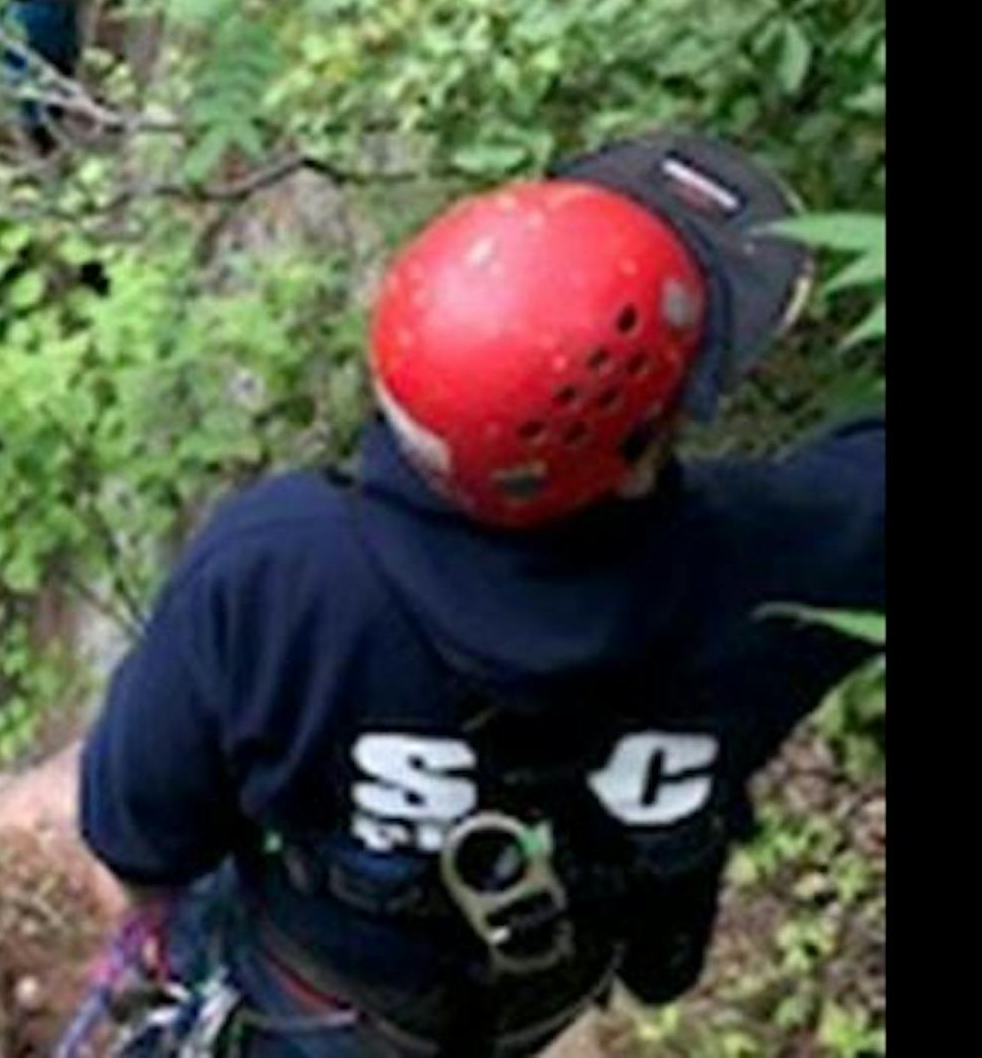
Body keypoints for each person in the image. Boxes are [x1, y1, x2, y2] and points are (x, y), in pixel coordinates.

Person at [71, 134, 886, 1057]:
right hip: (541, 999)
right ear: (625, 462)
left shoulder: (276, 572)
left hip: (312, 1007)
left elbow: (136, 839)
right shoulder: (773, 558)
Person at [0, 0, 82, 153]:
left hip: (27, 93)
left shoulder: (13, 11)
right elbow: (69, 54)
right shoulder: (57, 9)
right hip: (41, 94)